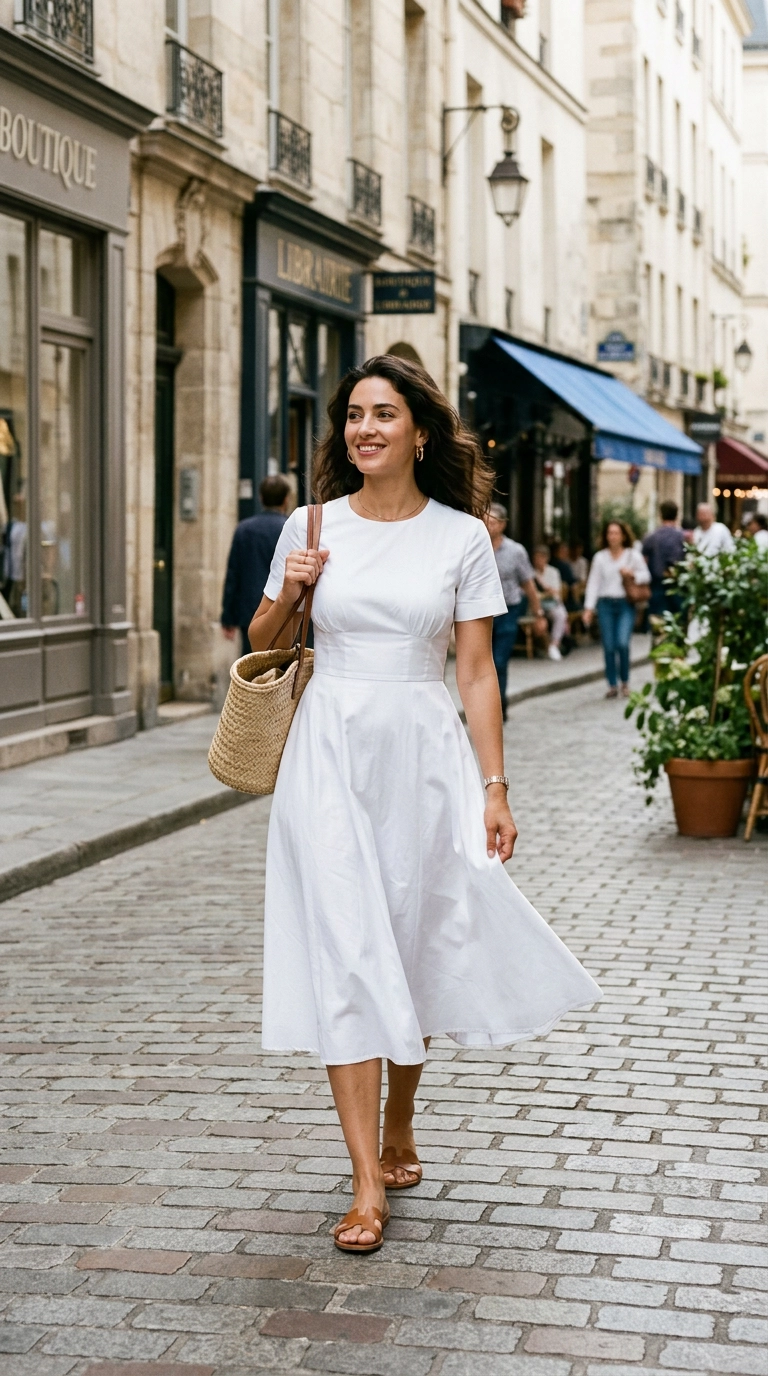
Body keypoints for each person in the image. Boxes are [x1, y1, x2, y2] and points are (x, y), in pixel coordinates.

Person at [248, 355, 601, 1254]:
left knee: (404, 944)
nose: (364, 429)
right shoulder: (311, 521)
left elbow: (475, 669)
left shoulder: (461, 539)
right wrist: (295, 585)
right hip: (327, 753)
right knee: (347, 950)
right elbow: (260, 645)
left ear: (421, 431)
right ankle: (368, 1182)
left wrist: (494, 785)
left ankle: (401, 1117)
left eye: (384, 414)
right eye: (354, 416)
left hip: (422, 755)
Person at [486, 503, 547, 717]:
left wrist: (538, 613)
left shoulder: (515, 551)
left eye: (492, 521)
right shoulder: (476, 546)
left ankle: (499, 706)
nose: (488, 525)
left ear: (502, 525)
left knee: (499, 660)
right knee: (483, 663)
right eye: (485, 520)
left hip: (508, 611)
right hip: (482, 613)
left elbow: (528, 584)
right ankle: (486, 707)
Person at [221, 475, 290, 653]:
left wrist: (228, 617)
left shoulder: (244, 529)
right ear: (286, 499)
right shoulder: (290, 529)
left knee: (252, 669)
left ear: (261, 498)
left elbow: (233, 574)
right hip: (285, 609)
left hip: (250, 612)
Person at [583, 519, 650, 698]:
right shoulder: (600, 557)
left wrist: (632, 573)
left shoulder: (632, 555)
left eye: (616, 533)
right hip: (605, 604)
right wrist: (588, 608)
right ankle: (612, 684)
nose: (612, 537)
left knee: (622, 643)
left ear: (623, 536)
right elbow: (593, 583)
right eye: (609, 533)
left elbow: (646, 576)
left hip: (625, 604)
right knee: (609, 646)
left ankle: (625, 681)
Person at [641, 500, 686, 616]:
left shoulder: (651, 537)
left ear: (660, 515)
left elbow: (644, 561)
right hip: (678, 584)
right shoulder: (683, 537)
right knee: (678, 619)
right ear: (676, 515)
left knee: (658, 620)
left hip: (657, 584)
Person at [532, 545, 568, 660]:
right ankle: (544, 647)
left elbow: (556, 592)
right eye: (536, 558)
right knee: (539, 619)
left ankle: (554, 645)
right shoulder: (531, 573)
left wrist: (545, 590)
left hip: (552, 603)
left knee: (560, 615)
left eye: (541, 558)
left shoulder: (553, 572)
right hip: (536, 606)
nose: (538, 561)